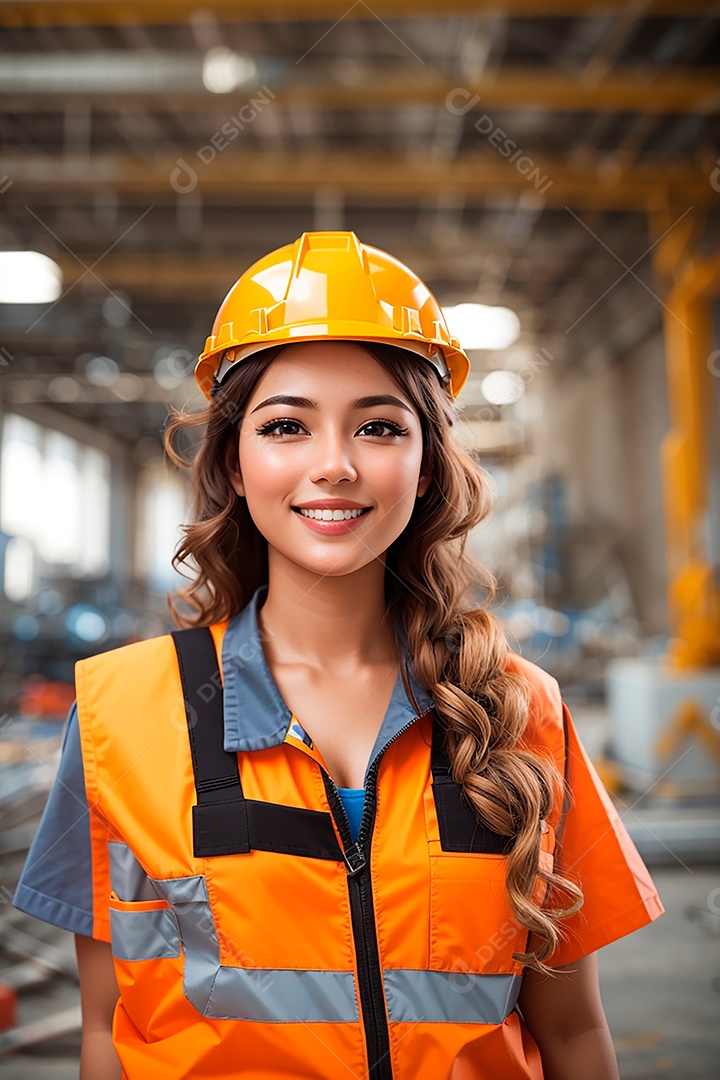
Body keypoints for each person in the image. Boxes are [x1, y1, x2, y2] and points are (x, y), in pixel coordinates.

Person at [13, 231, 663, 1080]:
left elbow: (574, 1035)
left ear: (426, 464)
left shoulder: (519, 708)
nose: (334, 465)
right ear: (236, 464)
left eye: (380, 427)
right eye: (286, 425)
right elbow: (107, 1031)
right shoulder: (117, 717)